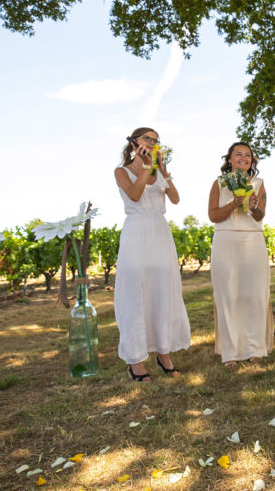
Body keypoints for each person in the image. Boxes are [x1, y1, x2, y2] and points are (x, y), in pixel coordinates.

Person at [113, 127, 191, 382]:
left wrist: (162, 170)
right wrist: (146, 166)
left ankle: (163, 353)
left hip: (160, 232)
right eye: (147, 138)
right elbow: (135, 196)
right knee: (135, 293)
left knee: (162, 290)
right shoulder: (121, 171)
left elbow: (176, 199)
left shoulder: (157, 172)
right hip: (136, 232)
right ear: (134, 142)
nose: (152, 142)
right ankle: (135, 360)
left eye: (156, 140)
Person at [208, 142, 273, 368]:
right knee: (228, 296)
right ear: (230, 160)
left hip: (252, 241)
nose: (244, 158)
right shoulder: (218, 183)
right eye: (239, 154)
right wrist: (233, 204)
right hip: (225, 241)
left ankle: (255, 349)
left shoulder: (259, 184)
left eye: (248, 155)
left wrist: (254, 207)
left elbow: (260, 216)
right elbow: (213, 216)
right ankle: (230, 353)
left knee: (253, 295)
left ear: (251, 161)